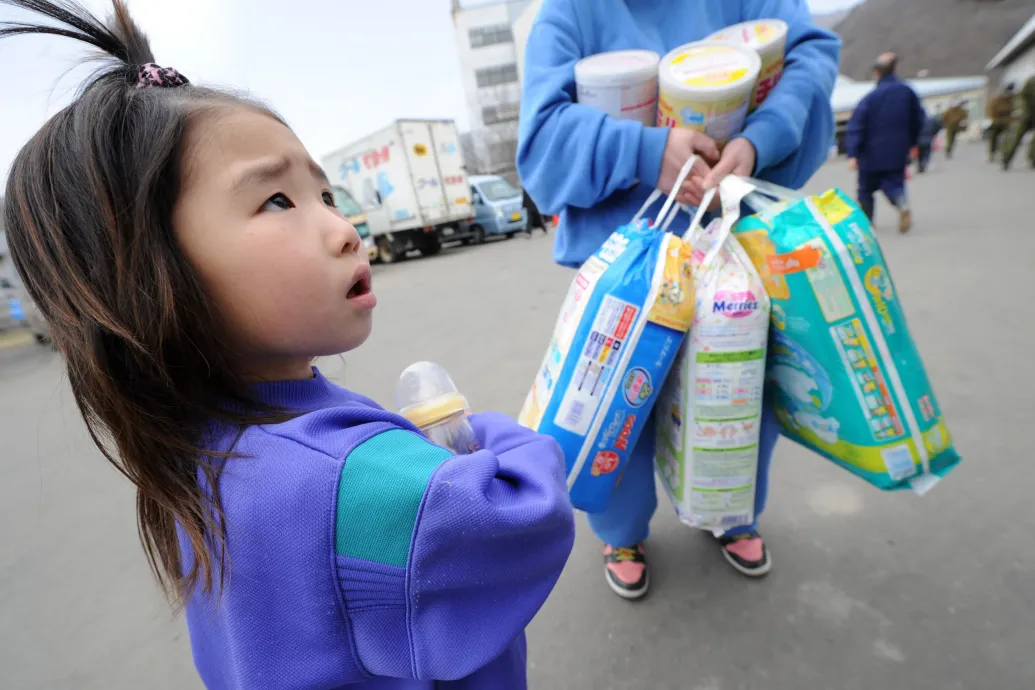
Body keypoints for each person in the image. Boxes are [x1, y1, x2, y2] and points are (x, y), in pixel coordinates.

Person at [1, 2, 575, 688]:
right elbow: (519, 515)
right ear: (148, 276)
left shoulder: (193, 445)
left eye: (327, 194)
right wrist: (488, 438)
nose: (342, 228)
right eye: (277, 200)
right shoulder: (350, 476)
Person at [518, 0, 839, 599]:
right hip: (629, 269)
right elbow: (540, 142)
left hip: (734, 252)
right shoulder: (569, 12)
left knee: (739, 395)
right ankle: (622, 531)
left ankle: (730, 511)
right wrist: (647, 151)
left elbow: (811, 54)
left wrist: (760, 140)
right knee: (618, 410)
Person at [845, 53, 924, 234]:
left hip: (870, 153)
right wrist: (913, 143)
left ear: (876, 73)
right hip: (897, 150)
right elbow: (918, 119)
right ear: (895, 69)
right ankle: (902, 205)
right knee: (894, 183)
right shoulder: (907, 92)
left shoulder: (870, 98)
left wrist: (853, 153)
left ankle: (867, 225)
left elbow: (857, 125)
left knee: (865, 189)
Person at [1002, 74, 1035, 171]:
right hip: (1027, 114)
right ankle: (1006, 160)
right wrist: (1022, 110)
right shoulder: (1031, 81)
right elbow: (1022, 96)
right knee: (1016, 138)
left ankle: (1033, 160)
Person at [986, 84, 1015, 162]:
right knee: (993, 137)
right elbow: (991, 111)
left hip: (1007, 122)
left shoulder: (1012, 100)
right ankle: (992, 153)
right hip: (997, 122)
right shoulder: (996, 100)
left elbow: (1014, 111)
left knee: (1007, 137)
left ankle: (1005, 153)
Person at [916, 108, 942, 173]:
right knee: (927, 153)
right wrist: (934, 134)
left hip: (918, 140)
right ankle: (923, 164)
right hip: (928, 139)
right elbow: (938, 126)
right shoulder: (931, 120)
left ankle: (920, 165)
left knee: (920, 154)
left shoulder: (916, 120)